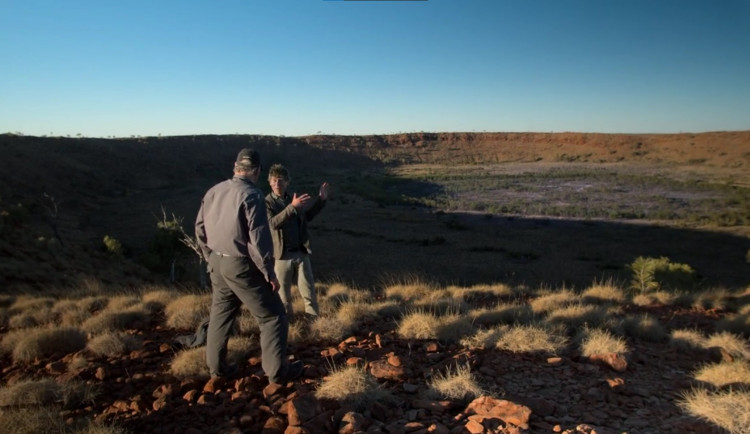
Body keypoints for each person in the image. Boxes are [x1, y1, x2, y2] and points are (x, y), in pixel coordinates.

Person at [195, 149, 302, 384]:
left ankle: (217, 370)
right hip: (241, 265)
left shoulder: (214, 190)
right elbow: (258, 240)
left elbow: (199, 228)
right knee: (273, 316)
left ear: (235, 166)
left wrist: (209, 257)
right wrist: (268, 272)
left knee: (220, 316)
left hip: (217, 262)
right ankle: (276, 373)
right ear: (257, 171)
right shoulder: (252, 195)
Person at [265, 164, 330, 319]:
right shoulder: (267, 203)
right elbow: (272, 224)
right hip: (282, 256)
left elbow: (307, 217)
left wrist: (321, 200)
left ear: (287, 182)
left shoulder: (292, 199)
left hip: (300, 253)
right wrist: (292, 208)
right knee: (283, 296)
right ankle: (287, 327)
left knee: (309, 292)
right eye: (274, 181)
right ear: (269, 182)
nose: (277, 184)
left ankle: (314, 323)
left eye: (280, 180)